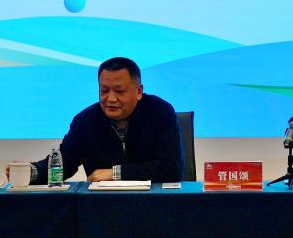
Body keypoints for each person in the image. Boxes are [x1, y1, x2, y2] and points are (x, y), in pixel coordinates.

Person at [29, 56, 183, 183]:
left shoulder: (160, 112)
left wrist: (115, 173)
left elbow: (171, 169)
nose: (111, 99)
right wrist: (28, 171)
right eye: (104, 91)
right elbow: (64, 163)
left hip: (154, 201)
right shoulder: (86, 121)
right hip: (102, 204)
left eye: (119, 91)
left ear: (138, 91)